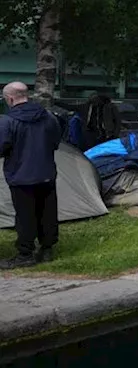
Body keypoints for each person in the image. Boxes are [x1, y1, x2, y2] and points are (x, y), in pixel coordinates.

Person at [0, 82, 64, 268]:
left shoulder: (7, 121)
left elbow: (2, 146)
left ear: (10, 98)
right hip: (46, 172)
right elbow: (55, 142)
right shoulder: (49, 117)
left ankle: (25, 253)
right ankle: (47, 249)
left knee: (25, 215)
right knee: (47, 211)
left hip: (20, 175)